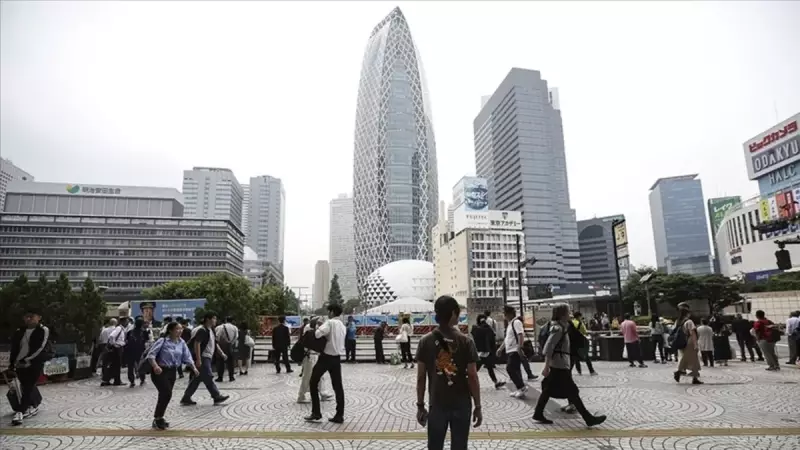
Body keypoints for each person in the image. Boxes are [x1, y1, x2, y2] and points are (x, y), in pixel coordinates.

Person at [416, 296, 482, 450]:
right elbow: (472, 375)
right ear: (453, 313)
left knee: (435, 445)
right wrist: (477, 406)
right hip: (461, 403)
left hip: (437, 403)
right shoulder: (466, 341)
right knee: (459, 446)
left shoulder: (425, 341)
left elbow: (421, 377)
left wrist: (420, 405)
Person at [532, 303, 606, 427]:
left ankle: (538, 413)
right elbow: (548, 348)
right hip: (559, 365)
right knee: (572, 391)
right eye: (567, 312)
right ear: (562, 314)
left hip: (560, 364)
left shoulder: (562, 326)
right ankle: (588, 418)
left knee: (549, 389)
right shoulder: (558, 328)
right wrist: (546, 366)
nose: (569, 314)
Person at [146, 321, 199, 430]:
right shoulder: (163, 341)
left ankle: (159, 418)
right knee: (167, 393)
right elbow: (151, 355)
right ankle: (158, 418)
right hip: (160, 371)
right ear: (170, 330)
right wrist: (155, 366)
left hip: (172, 371)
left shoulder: (181, 342)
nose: (180, 331)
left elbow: (187, 356)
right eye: (177, 329)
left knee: (165, 395)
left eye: (181, 329)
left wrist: (193, 367)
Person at [304, 303, 347, 424]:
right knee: (338, 387)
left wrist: (318, 327)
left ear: (332, 312)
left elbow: (318, 334)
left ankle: (316, 412)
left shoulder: (329, 323)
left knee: (313, 382)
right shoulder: (343, 326)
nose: (328, 313)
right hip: (337, 358)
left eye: (329, 311)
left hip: (326, 358)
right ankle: (339, 414)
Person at [8, 307, 50, 426]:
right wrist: (12, 363)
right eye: (27, 316)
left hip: (34, 363)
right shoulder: (19, 331)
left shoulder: (43, 330)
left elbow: (40, 347)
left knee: (28, 386)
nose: (29, 319)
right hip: (19, 364)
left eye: (32, 316)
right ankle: (33, 404)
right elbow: (14, 348)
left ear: (39, 317)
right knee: (25, 386)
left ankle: (20, 412)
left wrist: (27, 359)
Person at [179, 312, 230, 406]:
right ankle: (216, 396)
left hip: (208, 357)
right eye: (214, 318)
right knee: (208, 376)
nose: (215, 320)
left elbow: (215, 343)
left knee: (197, 378)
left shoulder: (211, 330)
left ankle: (186, 397)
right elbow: (197, 344)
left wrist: (222, 353)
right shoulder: (202, 330)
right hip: (203, 356)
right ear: (208, 319)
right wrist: (198, 359)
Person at [297, 317, 333, 404]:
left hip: (315, 356)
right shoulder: (309, 331)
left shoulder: (316, 332)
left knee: (321, 376)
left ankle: (323, 393)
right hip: (310, 356)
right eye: (319, 323)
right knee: (307, 376)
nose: (320, 325)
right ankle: (301, 396)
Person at [498, 306, 528, 399]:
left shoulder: (516, 322)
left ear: (510, 314)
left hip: (514, 350)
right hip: (510, 349)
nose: (504, 316)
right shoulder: (510, 324)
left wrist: (519, 347)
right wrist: (500, 348)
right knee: (516, 370)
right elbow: (507, 339)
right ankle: (519, 388)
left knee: (510, 368)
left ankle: (522, 387)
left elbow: (520, 335)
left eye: (505, 314)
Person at [471, 315, 506, 389]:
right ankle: (467, 383)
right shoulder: (484, 329)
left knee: (489, 368)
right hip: (483, 353)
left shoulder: (475, 329)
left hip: (481, 352)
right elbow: (491, 333)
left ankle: (496, 382)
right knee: (476, 370)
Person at [673, 303, 702, 384]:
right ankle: (693, 377)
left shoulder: (678, 321)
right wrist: (695, 344)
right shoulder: (689, 321)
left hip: (681, 342)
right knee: (694, 360)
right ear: (687, 313)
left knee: (684, 358)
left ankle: (681, 371)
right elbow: (692, 333)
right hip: (689, 342)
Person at [102, 317, 129, 386]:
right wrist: (114, 344)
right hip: (117, 349)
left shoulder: (122, 329)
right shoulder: (119, 328)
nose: (127, 323)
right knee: (116, 365)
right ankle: (113, 380)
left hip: (118, 348)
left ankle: (110, 380)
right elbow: (111, 336)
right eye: (126, 321)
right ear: (123, 322)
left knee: (115, 365)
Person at [125, 317, 150, 387]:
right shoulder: (144, 332)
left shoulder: (130, 332)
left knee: (130, 367)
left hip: (130, 351)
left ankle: (132, 381)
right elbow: (147, 342)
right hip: (140, 352)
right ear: (142, 324)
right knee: (141, 366)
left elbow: (126, 341)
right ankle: (142, 380)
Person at [215, 316, 238, 382]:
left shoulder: (220, 327)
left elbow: (217, 336)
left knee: (220, 361)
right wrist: (231, 342)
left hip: (221, 345)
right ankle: (231, 377)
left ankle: (220, 377)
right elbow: (236, 337)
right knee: (231, 362)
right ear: (232, 321)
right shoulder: (235, 327)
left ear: (226, 320)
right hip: (230, 345)